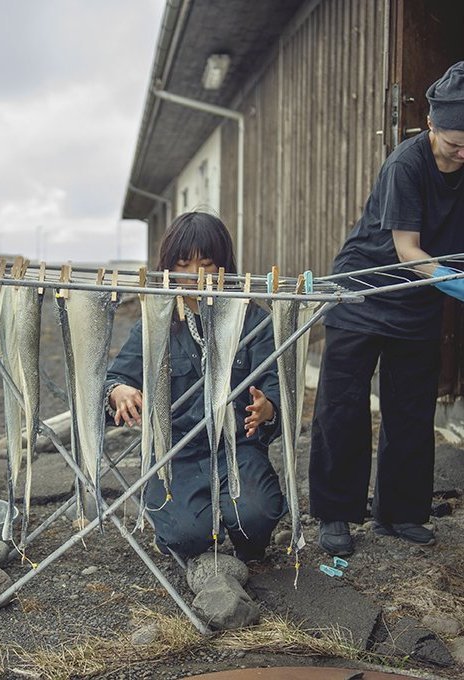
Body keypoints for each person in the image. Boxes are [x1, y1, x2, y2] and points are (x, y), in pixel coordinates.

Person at [309, 61, 464, 557]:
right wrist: (452, 280)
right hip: (363, 293)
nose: (463, 152)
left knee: (411, 410)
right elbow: (408, 251)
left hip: (417, 302)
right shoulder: (406, 163)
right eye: (454, 142)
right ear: (433, 125)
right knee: (343, 407)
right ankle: (336, 515)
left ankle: (399, 513)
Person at [105, 211, 286, 562]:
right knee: (187, 537)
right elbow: (116, 377)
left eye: (206, 263)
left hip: (237, 449)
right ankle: (181, 529)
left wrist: (268, 409)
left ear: (224, 267)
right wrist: (119, 392)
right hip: (176, 452)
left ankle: (245, 532)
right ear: (168, 268)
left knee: (255, 520)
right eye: (184, 264)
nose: (195, 276)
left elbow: (276, 389)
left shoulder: (252, 319)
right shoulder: (156, 322)